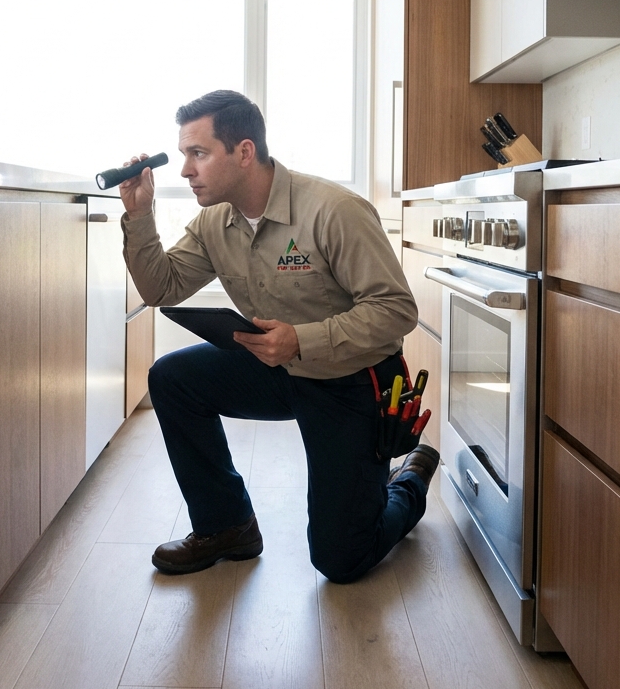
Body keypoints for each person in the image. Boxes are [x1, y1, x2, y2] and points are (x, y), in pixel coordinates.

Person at [119, 89, 440, 583]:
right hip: (277, 366)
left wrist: (302, 340)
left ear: (244, 152)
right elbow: (162, 286)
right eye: (184, 154)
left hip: (351, 380)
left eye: (197, 153)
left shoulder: (334, 211)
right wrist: (140, 216)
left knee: (341, 560)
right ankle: (227, 526)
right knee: (172, 377)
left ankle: (410, 479)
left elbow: (396, 310)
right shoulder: (213, 222)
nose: (185, 170)